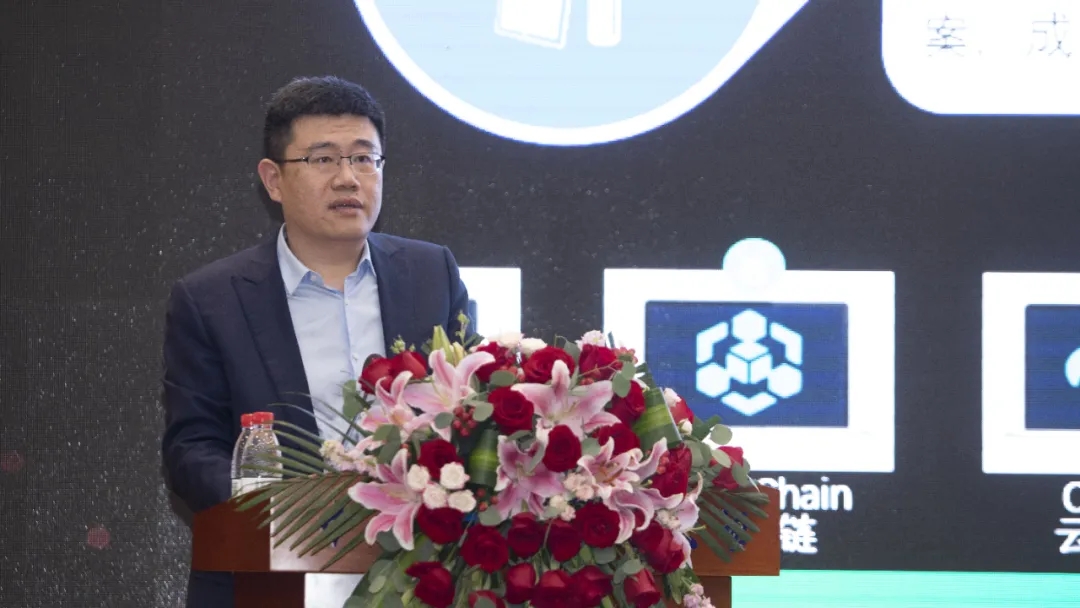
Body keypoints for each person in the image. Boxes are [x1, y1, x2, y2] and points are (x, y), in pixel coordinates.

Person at [160, 75, 473, 608]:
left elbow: (469, 406)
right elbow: (191, 448)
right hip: (272, 576)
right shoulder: (211, 298)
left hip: (418, 574)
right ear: (273, 179)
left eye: (364, 158)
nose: (348, 178)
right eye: (323, 159)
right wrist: (282, 511)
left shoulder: (430, 273)